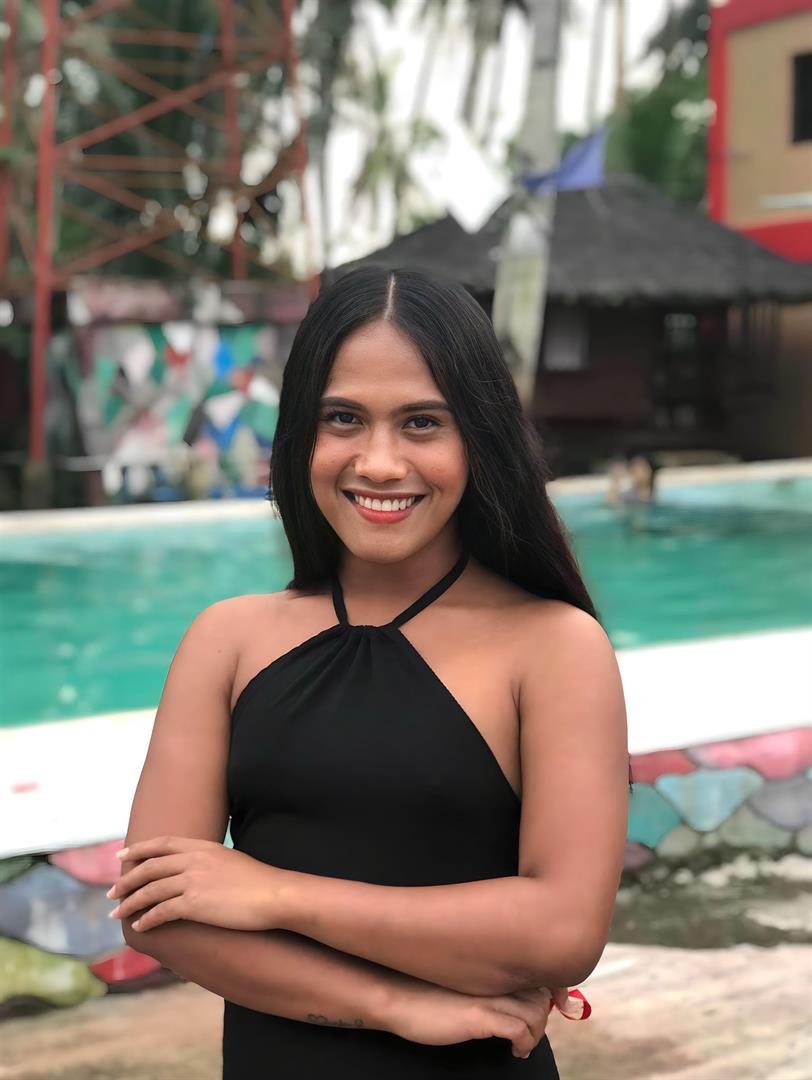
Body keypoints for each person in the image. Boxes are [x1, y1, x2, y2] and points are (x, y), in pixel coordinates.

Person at [108, 268, 629, 1078]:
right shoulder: (227, 641)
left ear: (479, 436)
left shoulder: (554, 647)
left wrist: (273, 893)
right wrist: (395, 1004)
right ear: (300, 435)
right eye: (343, 418)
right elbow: (156, 912)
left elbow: (561, 932)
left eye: (422, 422)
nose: (380, 463)